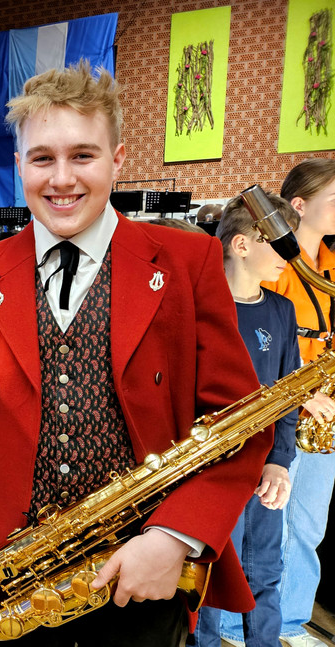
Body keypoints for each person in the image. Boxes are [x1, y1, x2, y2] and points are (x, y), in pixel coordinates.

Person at [0, 61, 271, 647]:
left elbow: (241, 427)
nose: (61, 179)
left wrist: (176, 538)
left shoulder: (188, 264)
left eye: (83, 155)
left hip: (141, 577)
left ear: (118, 159)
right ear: (17, 165)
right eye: (41, 158)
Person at [194, 193, 306, 647]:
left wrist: (280, 459)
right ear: (241, 245)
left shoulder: (282, 310)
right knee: (209, 575)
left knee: (265, 569)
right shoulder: (200, 308)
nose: (290, 256)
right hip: (211, 470)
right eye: (281, 244)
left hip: (264, 470)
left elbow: (289, 396)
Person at [245, 158, 335, 647]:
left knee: (307, 526)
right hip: (286, 413)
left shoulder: (331, 265)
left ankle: (292, 621)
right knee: (267, 531)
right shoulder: (275, 266)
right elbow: (264, 346)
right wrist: (305, 391)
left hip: (324, 415)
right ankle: (250, 621)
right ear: (299, 206)